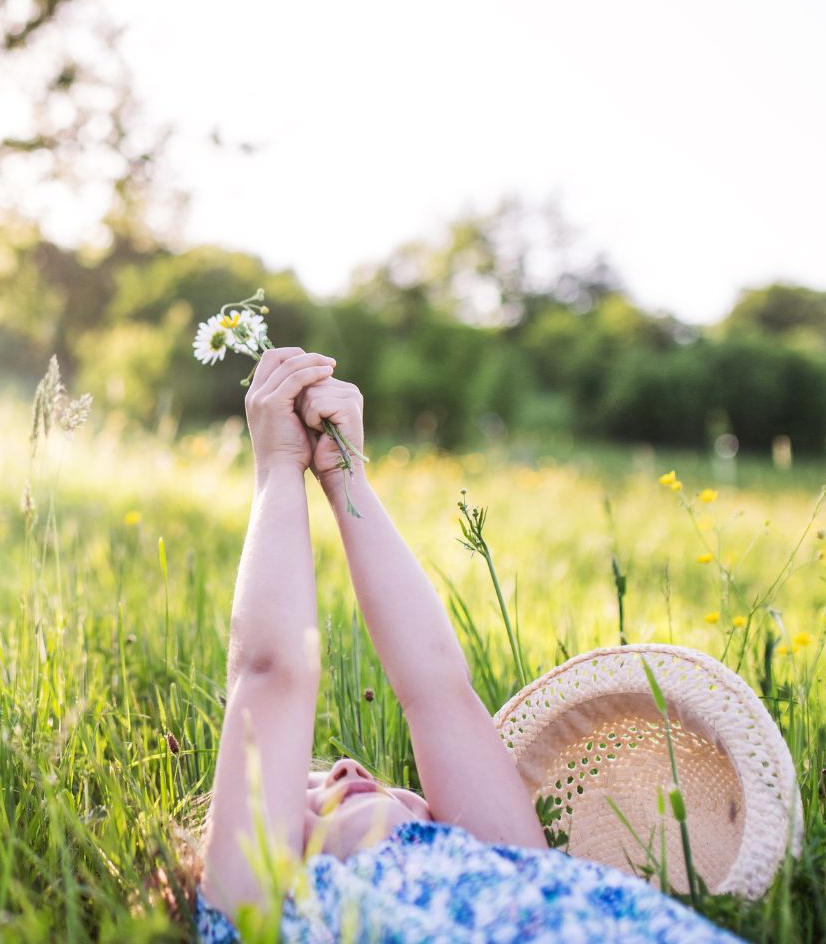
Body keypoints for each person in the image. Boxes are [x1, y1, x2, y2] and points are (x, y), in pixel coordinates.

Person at [197, 348, 740, 942]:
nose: (347, 770)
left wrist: (344, 475)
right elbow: (272, 675)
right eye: (301, 791)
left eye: (370, 781)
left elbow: (438, 689)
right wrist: (276, 465)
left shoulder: (502, 857)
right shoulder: (265, 916)